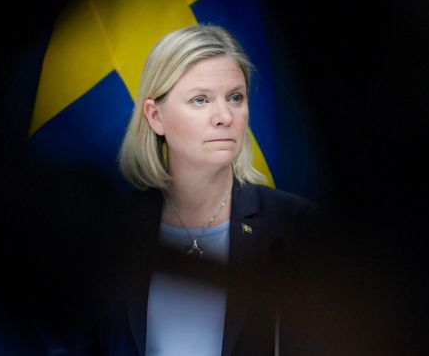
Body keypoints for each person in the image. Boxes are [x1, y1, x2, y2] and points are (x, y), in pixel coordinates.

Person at [89, 24, 323, 356]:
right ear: (156, 117)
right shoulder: (111, 230)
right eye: (201, 100)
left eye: (235, 98)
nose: (224, 116)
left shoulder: (297, 226)